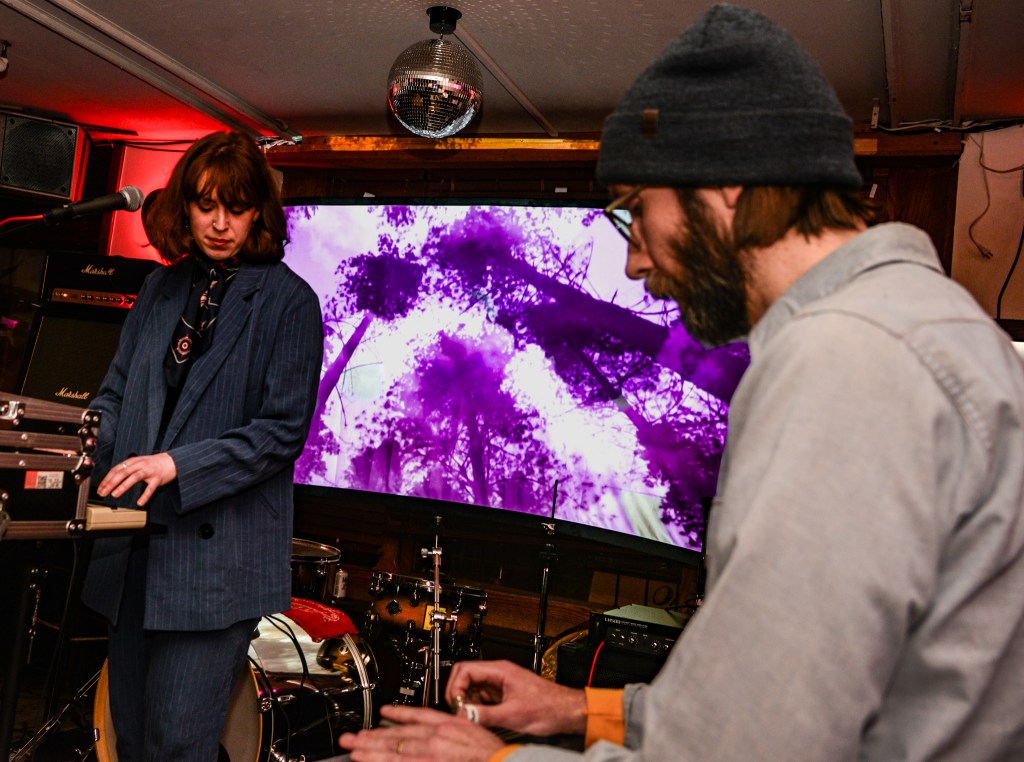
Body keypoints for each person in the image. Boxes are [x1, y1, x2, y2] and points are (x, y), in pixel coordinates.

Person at [338, 5, 1024, 761]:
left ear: (726, 181)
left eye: (636, 209)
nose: (635, 260)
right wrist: (579, 709)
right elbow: (775, 702)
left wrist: (491, 759)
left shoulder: (846, 359)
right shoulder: (916, 322)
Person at [81, 131, 324, 760]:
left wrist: (175, 465)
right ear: (184, 206)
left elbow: (281, 431)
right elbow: (115, 393)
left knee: (177, 747)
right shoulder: (160, 288)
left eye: (236, 208)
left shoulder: (290, 302)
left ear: (258, 212)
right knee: (132, 742)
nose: (219, 224)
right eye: (206, 205)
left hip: (214, 568)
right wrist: (80, 443)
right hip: (130, 548)